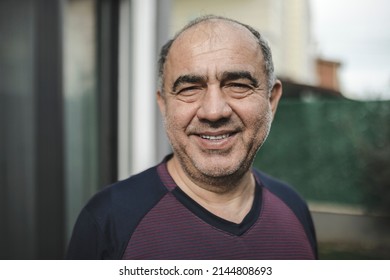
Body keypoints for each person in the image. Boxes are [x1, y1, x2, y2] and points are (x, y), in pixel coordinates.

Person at [66, 15, 317, 260]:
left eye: (238, 85)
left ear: (271, 100)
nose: (214, 111)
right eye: (189, 89)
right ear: (164, 104)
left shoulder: (293, 207)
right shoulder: (107, 221)